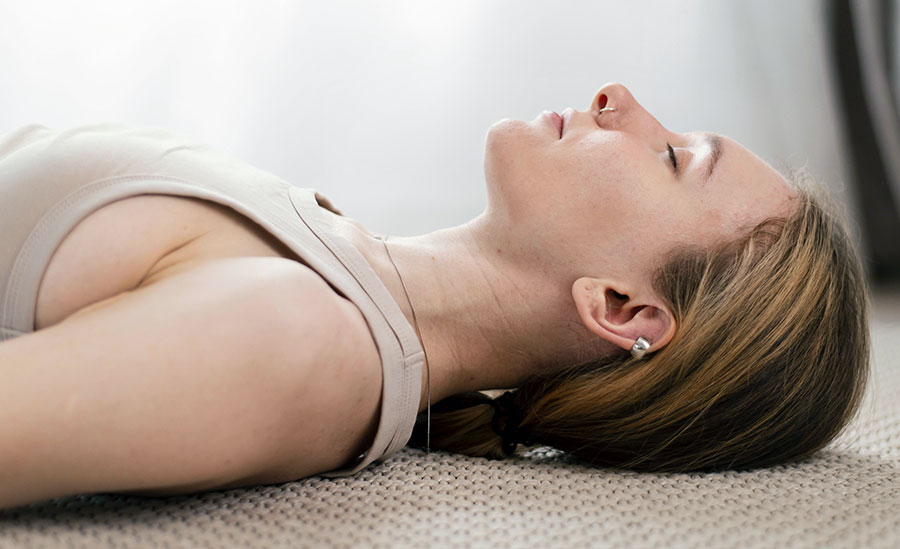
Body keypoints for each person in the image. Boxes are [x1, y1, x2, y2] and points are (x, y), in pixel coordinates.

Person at [0, 83, 869, 511]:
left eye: (672, 156)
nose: (620, 99)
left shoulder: (308, 337)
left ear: (620, 307)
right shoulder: (341, 264)